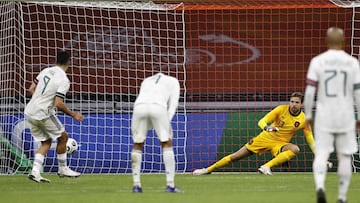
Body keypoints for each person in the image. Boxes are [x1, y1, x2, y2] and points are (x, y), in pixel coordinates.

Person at [193, 92, 316, 176]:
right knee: (236, 156)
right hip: (264, 139)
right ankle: (208, 170)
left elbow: (310, 139)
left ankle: (266, 167)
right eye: (292, 101)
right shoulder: (281, 109)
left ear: (302, 104)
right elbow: (262, 121)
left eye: (296, 102)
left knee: (295, 149)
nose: (293, 104)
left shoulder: (304, 119)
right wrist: (267, 128)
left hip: (280, 144)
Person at [304, 27, 360, 203]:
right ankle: (342, 197)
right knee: (344, 155)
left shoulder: (317, 61)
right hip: (345, 114)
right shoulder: (352, 62)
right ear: (343, 41)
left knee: (321, 153)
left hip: (324, 114)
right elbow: (358, 92)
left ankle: (320, 186)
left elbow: (309, 91)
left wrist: (307, 114)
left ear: (326, 41)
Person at [24, 51, 84, 183]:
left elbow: (31, 88)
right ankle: (63, 168)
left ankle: (35, 172)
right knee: (63, 136)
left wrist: (39, 100)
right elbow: (58, 103)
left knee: (46, 142)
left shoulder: (46, 71)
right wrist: (74, 114)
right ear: (69, 62)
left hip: (29, 111)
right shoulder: (64, 79)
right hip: (43, 113)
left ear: (56, 60)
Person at [131, 71, 182, 193]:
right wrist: (166, 123)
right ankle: (170, 185)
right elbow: (173, 104)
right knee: (166, 142)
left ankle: (136, 185)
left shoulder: (147, 80)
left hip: (139, 107)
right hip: (158, 107)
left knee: (138, 143)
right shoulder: (174, 82)